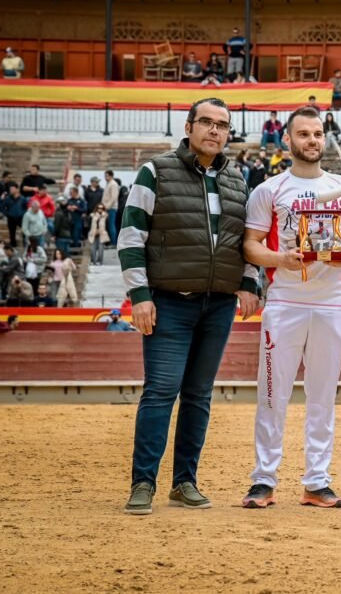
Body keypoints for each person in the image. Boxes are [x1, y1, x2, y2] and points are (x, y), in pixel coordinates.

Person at [119, 97, 260, 516]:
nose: (215, 131)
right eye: (206, 122)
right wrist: (139, 295)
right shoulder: (155, 171)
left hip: (218, 304)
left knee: (198, 395)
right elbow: (131, 236)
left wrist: (249, 282)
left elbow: (245, 239)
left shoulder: (237, 179)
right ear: (188, 126)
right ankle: (143, 483)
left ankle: (184, 482)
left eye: (222, 125)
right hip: (169, 302)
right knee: (161, 392)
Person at [241, 105, 341, 510]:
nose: (312, 140)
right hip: (285, 300)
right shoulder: (269, 189)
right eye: (304, 134)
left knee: (322, 395)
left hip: (331, 302)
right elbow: (250, 245)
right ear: (287, 139)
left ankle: (317, 480)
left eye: (317, 134)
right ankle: (264, 479)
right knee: (272, 393)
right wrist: (281, 259)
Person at [102, 170, 120, 245]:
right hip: (107, 208)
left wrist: (107, 207)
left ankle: (113, 242)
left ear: (111, 176)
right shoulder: (108, 184)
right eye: (105, 176)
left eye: (107, 176)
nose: (105, 177)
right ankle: (111, 241)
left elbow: (114, 197)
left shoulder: (113, 184)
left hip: (111, 208)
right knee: (109, 225)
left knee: (111, 225)